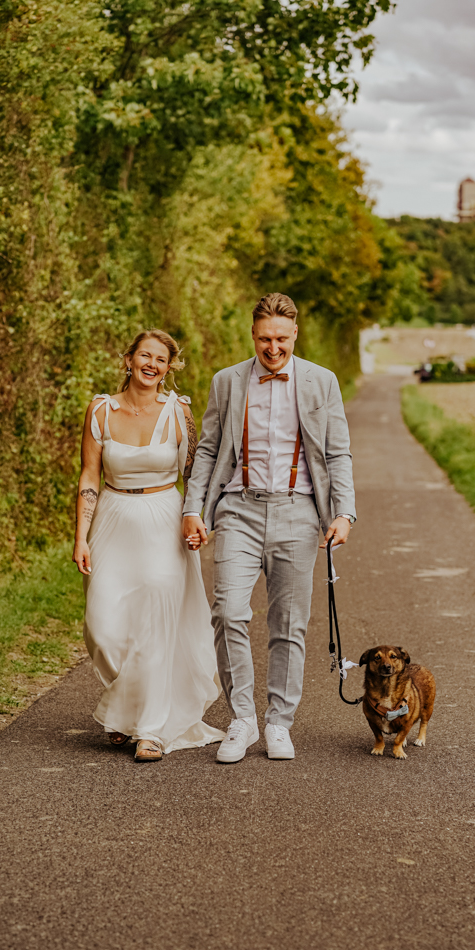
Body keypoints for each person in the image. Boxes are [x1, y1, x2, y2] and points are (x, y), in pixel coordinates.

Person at [183, 293, 356, 763]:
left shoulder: (322, 381)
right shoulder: (227, 381)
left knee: (288, 625)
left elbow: (338, 452)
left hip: (300, 514)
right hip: (238, 510)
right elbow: (208, 448)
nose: (272, 348)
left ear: (295, 333)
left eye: (281, 338)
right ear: (252, 334)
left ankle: (279, 723)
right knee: (228, 612)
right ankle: (242, 719)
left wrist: (344, 513)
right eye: (264, 338)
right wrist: (193, 507)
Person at [73, 330, 224, 762]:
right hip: (113, 519)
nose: (152, 365)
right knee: (103, 627)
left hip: (164, 519)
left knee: (157, 623)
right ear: (128, 359)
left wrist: (198, 520)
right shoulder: (100, 410)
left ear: (169, 367)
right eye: (145, 355)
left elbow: (194, 475)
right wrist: (80, 536)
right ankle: (126, 707)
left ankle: (152, 729)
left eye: (161, 359)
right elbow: (89, 476)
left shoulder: (179, 413)